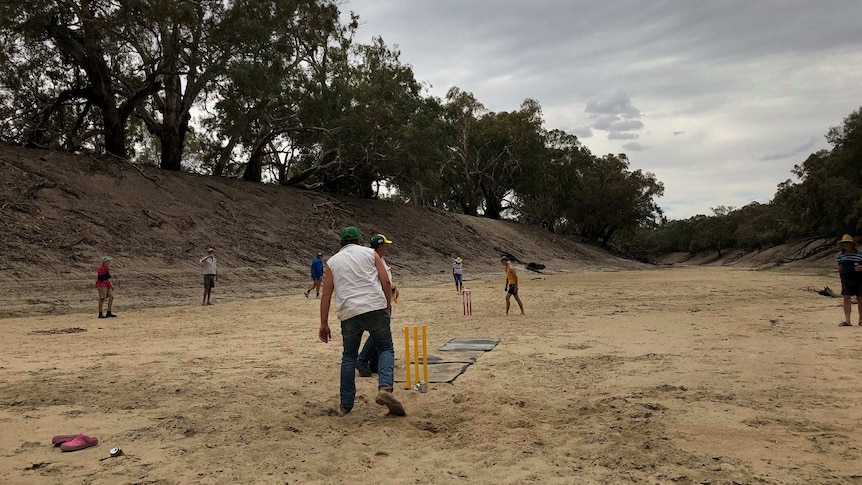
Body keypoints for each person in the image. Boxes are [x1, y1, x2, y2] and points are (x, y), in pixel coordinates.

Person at [319, 227, 405, 417]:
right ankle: (385, 388)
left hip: (349, 312)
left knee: (349, 357)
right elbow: (386, 281)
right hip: (375, 307)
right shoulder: (370, 253)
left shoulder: (332, 262)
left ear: (341, 243)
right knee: (385, 349)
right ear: (359, 240)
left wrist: (324, 324)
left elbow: (326, 295)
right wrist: (387, 304)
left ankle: (346, 405)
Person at [357, 234, 393, 377]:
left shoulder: (379, 260)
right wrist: (388, 301)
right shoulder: (372, 260)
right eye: (385, 245)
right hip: (379, 301)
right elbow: (381, 282)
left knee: (379, 333)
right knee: (379, 333)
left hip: (381, 299)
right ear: (379, 246)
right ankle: (363, 359)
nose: (387, 247)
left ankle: (374, 362)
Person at [836, 234, 862, 326]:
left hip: (859, 279)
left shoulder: (860, 254)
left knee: (860, 299)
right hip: (846, 279)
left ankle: (861, 320)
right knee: (846, 298)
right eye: (844, 244)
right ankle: (848, 320)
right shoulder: (839, 255)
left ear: (852, 244)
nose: (846, 245)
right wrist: (841, 277)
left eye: (848, 243)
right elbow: (840, 266)